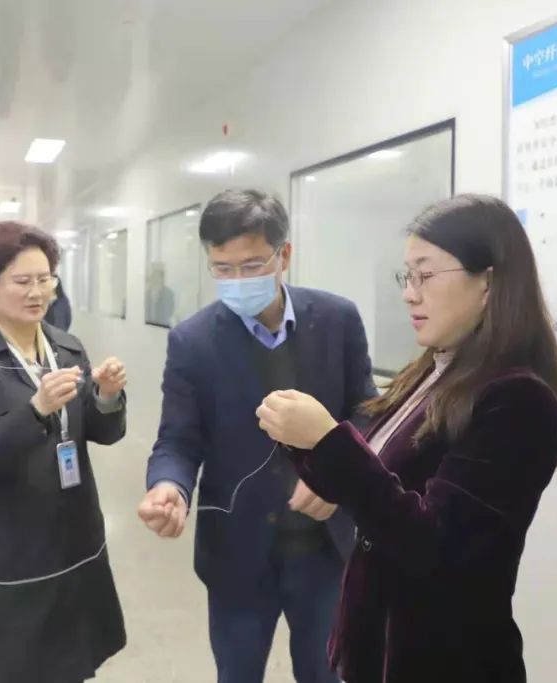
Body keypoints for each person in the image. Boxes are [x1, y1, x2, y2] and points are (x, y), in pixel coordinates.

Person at [256, 194, 557, 682]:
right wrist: (304, 441)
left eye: (425, 275)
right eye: (407, 276)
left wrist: (329, 442)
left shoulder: (517, 400)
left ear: (488, 282)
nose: (409, 293)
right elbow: (378, 483)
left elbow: (437, 546)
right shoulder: (437, 368)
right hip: (381, 646)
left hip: (446, 660)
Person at [137, 189, 377, 683]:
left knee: (328, 673)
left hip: (325, 548)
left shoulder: (337, 320)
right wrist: (168, 486)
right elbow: (178, 439)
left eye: (250, 266)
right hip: (237, 550)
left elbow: (367, 411)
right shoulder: (192, 342)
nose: (237, 280)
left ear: (283, 255)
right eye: (222, 268)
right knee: (238, 673)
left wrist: (340, 472)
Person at [0, 221, 129, 683]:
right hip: (10, 550)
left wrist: (105, 396)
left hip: (74, 540)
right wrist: (36, 408)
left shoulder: (66, 347)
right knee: (11, 669)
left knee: (70, 666)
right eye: (22, 281)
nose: (37, 292)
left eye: (45, 279)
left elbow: (101, 432)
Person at [145, 260, 177, 327]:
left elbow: (169, 313)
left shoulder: (169, 294)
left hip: (162, 328)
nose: (155, 279)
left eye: (158, 275)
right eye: (153, 275)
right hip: (148, 327)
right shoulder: (147, 293)